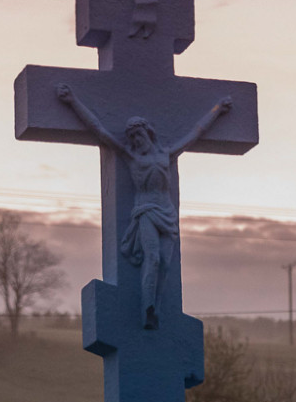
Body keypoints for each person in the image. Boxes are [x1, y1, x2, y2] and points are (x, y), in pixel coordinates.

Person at [56, 83, 231, 328]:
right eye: (132, 137)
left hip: (167, 214)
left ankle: (155, 307)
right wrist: (72, 101)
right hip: (146, 211)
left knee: (166, 263)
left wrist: (217, 110)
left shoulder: (167, 154)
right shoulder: (132, 157)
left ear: (148, 133)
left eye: (139, 135)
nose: (136, 140)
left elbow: (196, 132)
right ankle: (146, 307)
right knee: (153, 258)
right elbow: (99, 129)